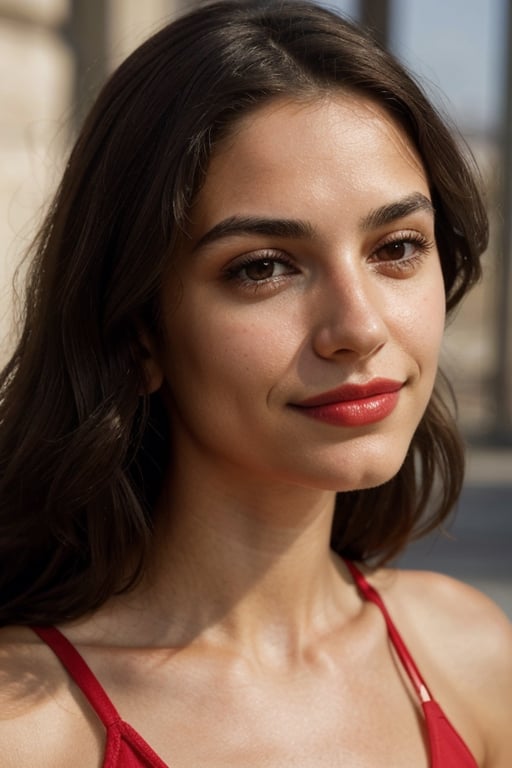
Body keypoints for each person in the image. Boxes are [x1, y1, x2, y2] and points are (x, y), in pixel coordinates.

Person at [0, 1, 510, 765]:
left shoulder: (472, 658)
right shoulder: (28, 725)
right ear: (138, 333)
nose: (359, 326)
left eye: (397, 247)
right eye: (264, 266)